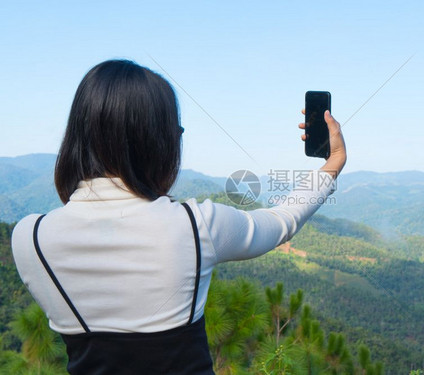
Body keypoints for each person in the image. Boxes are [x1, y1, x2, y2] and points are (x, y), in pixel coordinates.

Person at [11, 59, 346, 374]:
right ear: (159, 142)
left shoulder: (30, 238)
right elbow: (281, 221)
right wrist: (333, 162)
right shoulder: (196, 225)